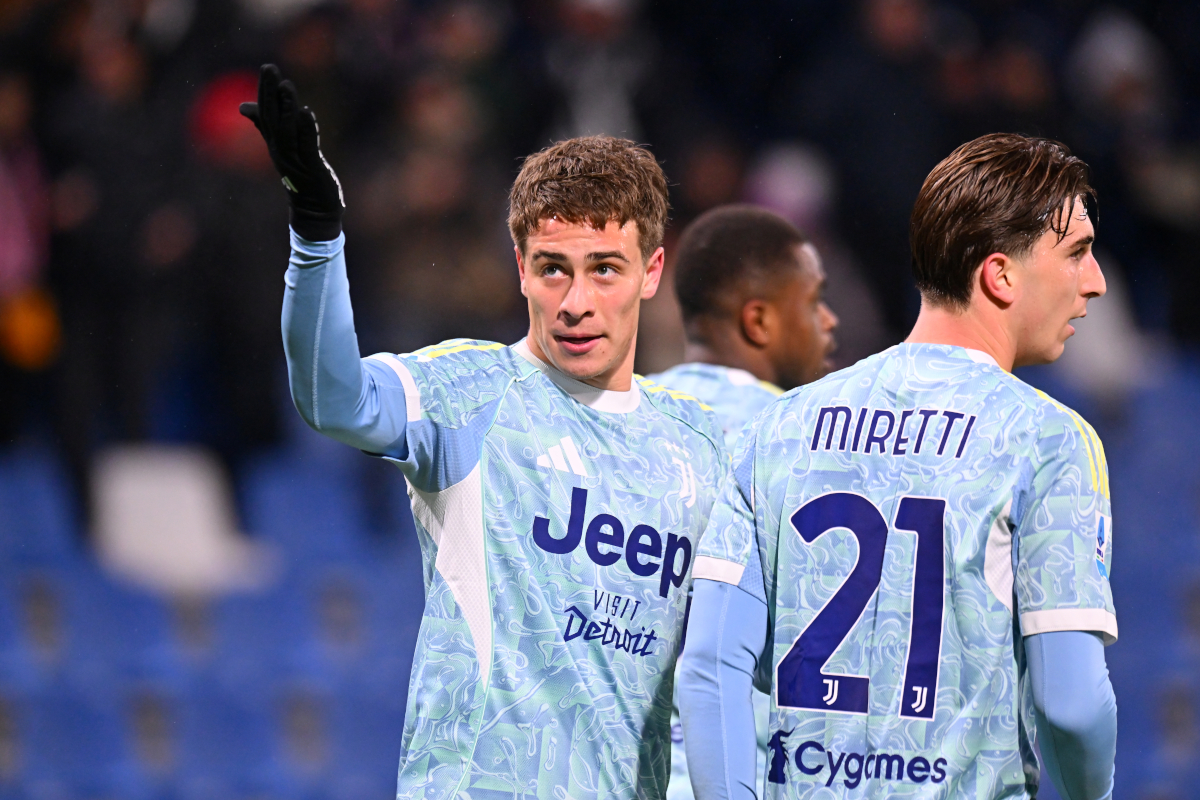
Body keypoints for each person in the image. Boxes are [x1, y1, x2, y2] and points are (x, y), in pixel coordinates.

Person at [239, 65, 729, 800]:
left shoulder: (705, 445)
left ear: (653, 271)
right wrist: (316, 231)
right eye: (552, 269)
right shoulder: (465, 391)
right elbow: (332, 398)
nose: (575, 301)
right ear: (520, 268)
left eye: (605, 269)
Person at [679, 133, 1117, 800]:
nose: (1096, 281)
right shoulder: (1049, 442)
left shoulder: (776, 428)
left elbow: (710, 668)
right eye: (1077, 253)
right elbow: (1073, 705)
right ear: (1000, 275)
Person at [645, 205, 837, 800]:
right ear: (759, 320)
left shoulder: (617, 428)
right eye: (813, 301)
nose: (830, 321)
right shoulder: (804, 444)